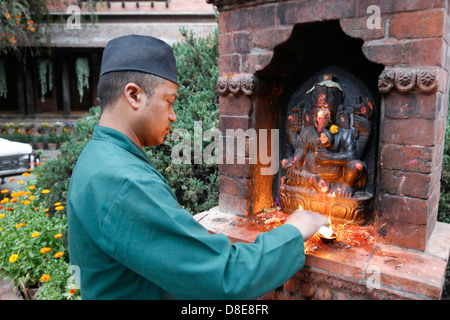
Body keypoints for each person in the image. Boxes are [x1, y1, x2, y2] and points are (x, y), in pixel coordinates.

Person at [67, 34, 329, 300]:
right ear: (134, 95)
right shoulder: (122, 181)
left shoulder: (97, 157)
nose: (173, 115)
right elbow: (225, 276)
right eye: (168, 101)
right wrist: (294, 231)